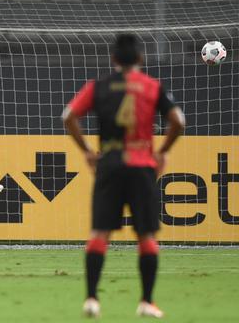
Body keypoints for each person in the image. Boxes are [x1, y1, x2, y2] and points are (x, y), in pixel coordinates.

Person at [62, 34, 185, 318]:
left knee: (99, 234)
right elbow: (179, 121)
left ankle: (92, 299)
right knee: (146, 236)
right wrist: (162, 151)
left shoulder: (98, 87)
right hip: (142, 165)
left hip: (110, 164)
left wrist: (88, 151)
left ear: (113, 59)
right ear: (140, 59)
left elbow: (68, 116)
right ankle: (147, 301)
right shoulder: (152, 87)